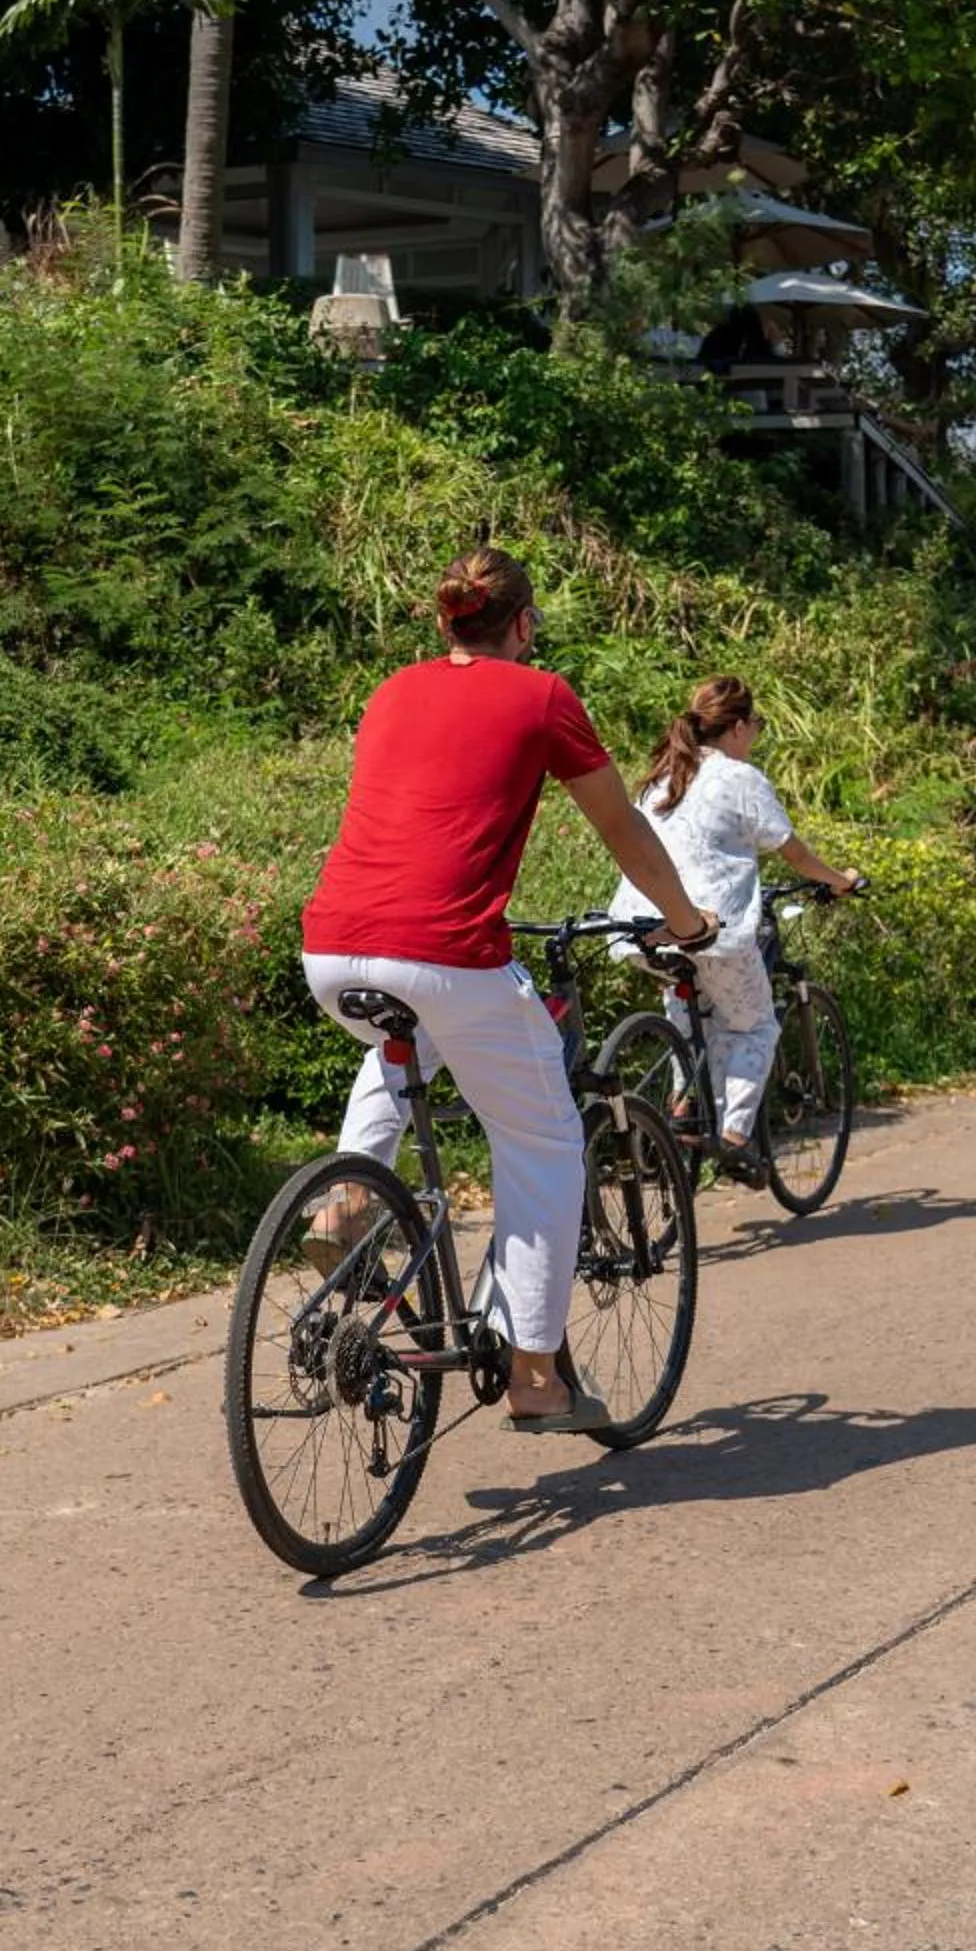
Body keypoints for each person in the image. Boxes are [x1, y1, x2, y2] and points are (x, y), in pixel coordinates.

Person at [301, 545, 716, 1430]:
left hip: (333, 948)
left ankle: (346, 1199)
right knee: (543, 1140)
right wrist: (687, 921)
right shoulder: (542, 696)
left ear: (445, 619)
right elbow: (626, 834)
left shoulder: (392, 691)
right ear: (524, 623)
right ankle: (535, 1377)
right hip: (445, 949)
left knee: (405, 1044)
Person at [609, 675, 862, 1180]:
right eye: (758, 727)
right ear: (740, 727)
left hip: (642, 928)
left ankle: (682, 1112)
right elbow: (793, 852)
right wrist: (841, 881)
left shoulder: (665, 773)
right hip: (708, 929)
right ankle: (734, 1137)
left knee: (691, 1021)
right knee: (754, 1024)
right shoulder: (739, 777)